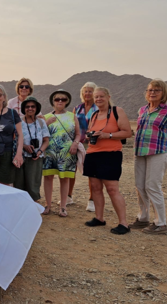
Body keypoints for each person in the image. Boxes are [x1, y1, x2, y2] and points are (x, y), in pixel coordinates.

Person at [129, 79, 167, 235]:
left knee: (152, 186)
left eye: (156, 90)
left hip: (158, 152)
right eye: (150, 90)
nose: (152, 93)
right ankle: (143, 217)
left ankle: (160, 223)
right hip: (140, 152)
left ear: (163, 93)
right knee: (140, 186)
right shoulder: (142, 110)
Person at [82, 87, 133, 235]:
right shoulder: (94, 114)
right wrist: (90, 135)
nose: (98, 99)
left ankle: (123, 223)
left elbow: (127, 133)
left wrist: (107, 135)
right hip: (92, 154)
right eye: (96, 97)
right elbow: (93, 132)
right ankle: (99, 218)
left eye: (101, 96)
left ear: (108, 97)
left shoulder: (117, 111)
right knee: (96, 188)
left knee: (112, 189)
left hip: (110, 155)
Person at [42, 90, 80, 217]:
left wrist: (75, 143)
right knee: (48, 178)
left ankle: (63, 207)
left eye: (63, 99)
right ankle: (48, 205)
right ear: (53, 101)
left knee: (64, 178)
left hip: (67, 152)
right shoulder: (46, 117)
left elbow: (78, 134)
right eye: (57, 99)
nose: (60, 101)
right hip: (49, 152)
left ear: (67, 101)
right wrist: (46, 123)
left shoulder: (72, 116)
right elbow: (40, 134)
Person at [67, 82, 98, 211]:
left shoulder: (98, 108)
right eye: (85, 91)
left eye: (90, 91)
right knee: (71, 170)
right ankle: (68, 196)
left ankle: (92, 200)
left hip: (92, 144)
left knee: (91, 171)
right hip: (78, 142)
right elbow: (73, 126)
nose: (87, 94)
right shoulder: (77, 108)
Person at [14, 96, 50, 201]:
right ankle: (21, 208)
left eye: (33, 106)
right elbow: (14, 140)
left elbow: (46, 140)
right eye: (27, 106)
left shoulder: (41, 122)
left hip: (36, 158)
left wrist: (39, 151)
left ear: (36, 108)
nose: (30, 109)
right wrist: (24, 146)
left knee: (33, 184)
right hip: (21, 156)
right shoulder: (18, 122)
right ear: (24, 108)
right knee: (19, 183)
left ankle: (33, 207)